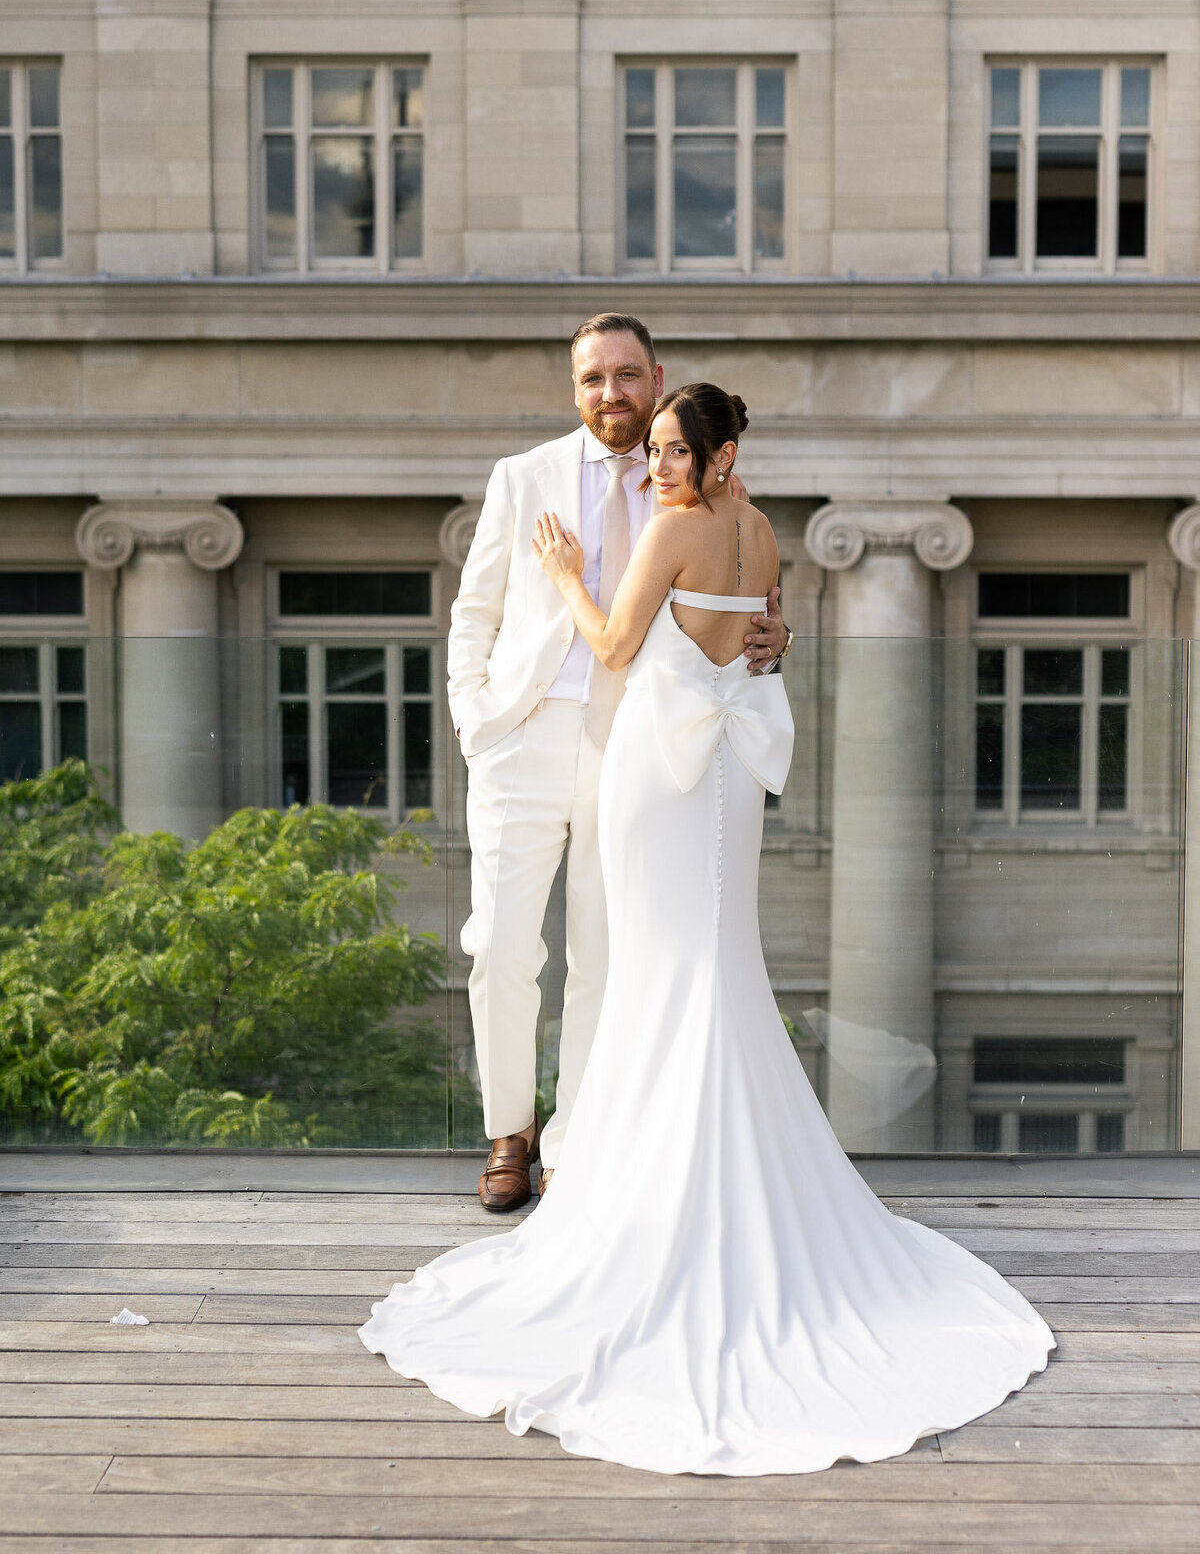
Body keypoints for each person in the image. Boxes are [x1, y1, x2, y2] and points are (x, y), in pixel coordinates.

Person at [360, 383, 1055, 1476]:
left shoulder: (678, 529)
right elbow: (764, 641)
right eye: (662, 454)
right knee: (708, 963)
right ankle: (691, 1172)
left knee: (659, 968)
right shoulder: (763, 529)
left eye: (679, 452)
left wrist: (566, 579)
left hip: (660, 771)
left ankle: (647, 1201)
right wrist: (767, 640)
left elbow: (617, 647)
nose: (662, 468)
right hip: (726, 769)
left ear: (723, 455)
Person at [446, 313, 789, 1211]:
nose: (612, 393)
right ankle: (508, 1132)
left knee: (606, 950)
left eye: (628, 375)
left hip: (633, 739)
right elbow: (473, 609)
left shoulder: (699, 486)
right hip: (519, 734)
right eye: (593, 378)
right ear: (574, 388)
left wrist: (776, 632)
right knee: (501, 947)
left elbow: (742, 597)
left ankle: (574, 1141)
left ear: (656, 377)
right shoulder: (521, 479)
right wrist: (473, 716)